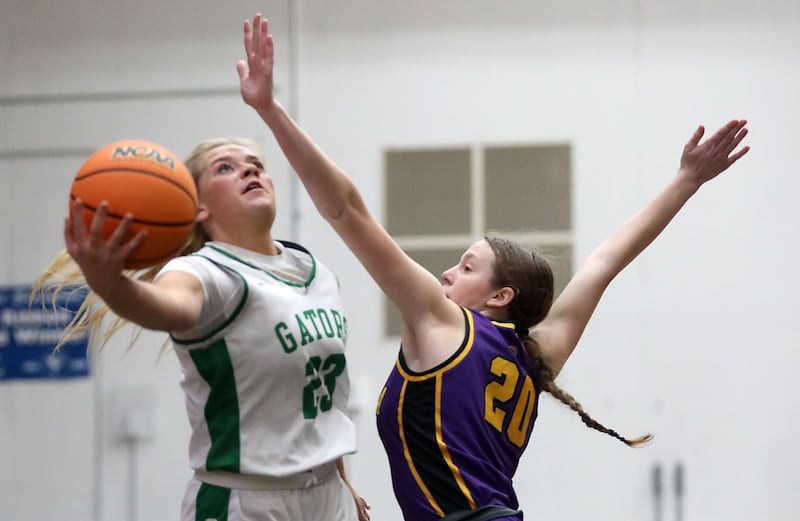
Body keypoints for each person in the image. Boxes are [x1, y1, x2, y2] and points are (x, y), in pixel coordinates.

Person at [235, 12, 751, 521]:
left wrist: (271, 111)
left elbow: (347, 208)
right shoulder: (536, 352)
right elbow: (603, 262)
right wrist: (685, 181)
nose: (445, 276)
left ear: (499, 295)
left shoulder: (443, 323)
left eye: (465, 267)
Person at [32, 19, 372, 521]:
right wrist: (111, 284)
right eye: (226, 168)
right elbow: (166, 308)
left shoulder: (313, 270)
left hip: (327, 494)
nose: (251, 170)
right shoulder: (204, 273)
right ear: (196, 208)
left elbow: (315, 398)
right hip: (244, 500)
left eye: (255, 162)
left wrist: (340, 482)